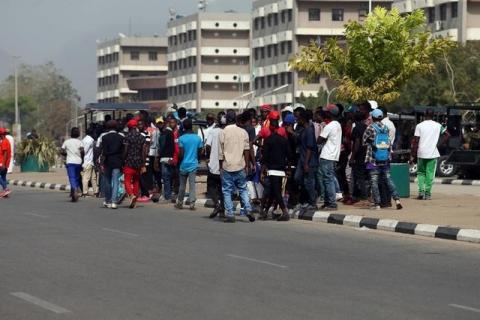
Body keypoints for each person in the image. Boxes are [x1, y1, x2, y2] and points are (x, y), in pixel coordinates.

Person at [219, 111, 255, 223]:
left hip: (227, 166)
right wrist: (247, 165)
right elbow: (247, 150)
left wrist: (220, 167)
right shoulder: (243, 132)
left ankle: (230, 214)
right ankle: (248, 209)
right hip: (240, 165)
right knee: (243, 189)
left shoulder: (223, 132)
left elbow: (220, 153)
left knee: (227, 190)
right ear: (235, 119)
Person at [363, 109, 403, 210]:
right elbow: (388, 142)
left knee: (374, 181)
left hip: (373, 159)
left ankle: (377, 204)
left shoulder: (370, 128)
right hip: (385, 158)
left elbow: (364, 141)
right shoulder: (385, 128)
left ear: (372, 117)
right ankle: (397, 199)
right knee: (389, 179)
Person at [411, 109, 448, 200]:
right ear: (434, 115)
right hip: (432, 153)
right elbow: (447, 135)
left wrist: (413, 154)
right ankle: (427, 194)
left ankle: (421, 192)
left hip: (421, 153)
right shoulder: (438, 126)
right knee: (430, 174)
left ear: (424, 114)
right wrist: (438, 144)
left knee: (420, 173)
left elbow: (415, 141)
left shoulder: (419, 126)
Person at [260, 117, 292, 221]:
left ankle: (284, 211)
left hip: (272, 169)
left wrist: (262, 171)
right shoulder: (284, 140)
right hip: (281, 169)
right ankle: (265, 211)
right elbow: (289, 156)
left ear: (271, 127)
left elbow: (264, 157)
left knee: (276, 191)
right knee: (274, 191)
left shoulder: (268, 140)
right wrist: (288, 168)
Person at [317, 105, 342, 210]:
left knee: (327, 180)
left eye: (326, 112)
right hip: (333, 155)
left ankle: (331, 203)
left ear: (330, 114)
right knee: (328, 179)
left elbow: (319, 140)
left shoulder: (330, 125)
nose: (324, 113)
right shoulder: (337, 124)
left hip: (327, 155)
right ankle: (328, 202)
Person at [175, 118, 203, 210]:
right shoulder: (198, 138)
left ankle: (179, 202)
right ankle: (192, 203)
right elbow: (200, 152)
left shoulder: (181, 138)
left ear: (183, 127)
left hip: (183, 165)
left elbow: (181, 154)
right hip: (193, 165)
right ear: (192, 126)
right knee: (192, 185)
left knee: (182, 185)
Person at [295, 109, 319, 209]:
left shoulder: (309, 130)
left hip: (309, 161)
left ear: (303, 119)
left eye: (298, 118)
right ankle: (307, 199)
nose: (297, 120)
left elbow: (310, 148)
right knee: (298, 178)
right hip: (302, 159)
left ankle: (313, 202)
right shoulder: (304, 130)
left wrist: (306, 163)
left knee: (309, 182)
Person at [123, 119, 147, 209]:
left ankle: (131, 195)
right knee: (136, 181)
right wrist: (143, 164)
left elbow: (125, 150)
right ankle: (135, 201)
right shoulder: (141, 137)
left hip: (129, 162)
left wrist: (123, 159)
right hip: (138, 162)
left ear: (129, 127)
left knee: (127, 180)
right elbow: (144, 151)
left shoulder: (127, 137)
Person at [100, 120, 124, 209]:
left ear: (107, 128)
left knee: (107, 181)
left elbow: (104, 151)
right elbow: (122, 151)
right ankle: (114, 202)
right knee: (116, 181)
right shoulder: (120, 137)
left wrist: (102, 162)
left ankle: (108, 200)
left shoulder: (104, 137)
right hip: (117, 161)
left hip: (108, 161)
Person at [206, 112, 226, 219]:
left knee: (211, 187)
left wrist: (209, 156)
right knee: (223, 189)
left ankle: (217, 205)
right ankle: (222, 210)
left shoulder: (213, 132)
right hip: (225, 166)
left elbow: (208, 146)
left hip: (213, 165)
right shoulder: (227, 132)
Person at [349, 109, 369, 206]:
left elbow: (356, 143)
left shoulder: (356, 128)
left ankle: (364, 197)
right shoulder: (367, 127)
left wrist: (352, 157)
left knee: (359, 177)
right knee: (363, 177)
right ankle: (358, 195)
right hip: (367, 154)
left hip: (359, 156)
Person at [61, 127, 84, 202]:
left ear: (71, 133)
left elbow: (62, 151)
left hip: (70, 162)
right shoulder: (80, 142)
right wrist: (82, 159)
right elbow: (82, 151)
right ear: (78, 134)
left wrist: (67, 154)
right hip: (78, 162)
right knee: (77, 177)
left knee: (72, 177)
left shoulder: (66, 142)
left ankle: (74, 190)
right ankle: (75, 191)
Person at [158, 116, 177, 203]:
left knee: (166, 178)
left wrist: (159, 155)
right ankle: (168, 195)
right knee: (169, 177)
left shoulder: (165, 133)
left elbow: (161, 146)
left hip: (165, 158)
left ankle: (167, 196)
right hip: (170, 158)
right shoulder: (170, 133)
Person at [81, 128, 98, 197]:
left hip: (90, 162)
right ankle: (85, 192)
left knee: (93, 177)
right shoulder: (89, 140)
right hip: (88, 161)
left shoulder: (85, 139)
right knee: (86, 178)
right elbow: (84, 151)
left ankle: (95, 191)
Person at [0, 128, 12, 198]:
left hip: (2, 163)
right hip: (5, 163)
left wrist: (3, 164)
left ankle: (5, 189)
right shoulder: (5, 141)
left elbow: (5, 154)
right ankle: (5, 193)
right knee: (3, 177)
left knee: (2, 177)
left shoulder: (4, 142)